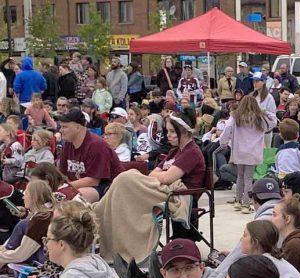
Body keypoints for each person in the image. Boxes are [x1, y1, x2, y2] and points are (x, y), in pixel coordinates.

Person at [95, 111, 204, 264]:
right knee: (125, 184)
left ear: (185, 132)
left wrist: (162, 175)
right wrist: (162, 175)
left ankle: (98, 214)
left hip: (178, 196)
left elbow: (167, 178)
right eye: (167, 131)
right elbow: (154, 173)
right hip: (162, 190)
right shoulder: (175, 151)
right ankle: (110, 230)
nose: (168, 135)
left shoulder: (191, 152)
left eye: (172, 132)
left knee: (127, 177)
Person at [219, 95, 278, 213]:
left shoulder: (235, 116)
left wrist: (223, 142)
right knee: (248, 178)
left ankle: (238, 200)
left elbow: (227, 129)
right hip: (253, 151)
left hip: (238, 150)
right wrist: (264, 111)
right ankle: (246, 204)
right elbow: (274, 121)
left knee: (240, 176)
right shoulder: (259, 118)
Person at [57, 108, 122, 203]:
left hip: (106, 186)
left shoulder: (96, 144)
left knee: (74, 198)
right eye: (61, 126)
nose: (60, 130)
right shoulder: (67, 144)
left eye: (65, 127)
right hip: (78, 184)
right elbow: (63, 173)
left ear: (78, 127)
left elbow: (94, 180)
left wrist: (66, 187)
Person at [0, 180, 53, 268]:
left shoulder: (41, 219)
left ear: (34, 197)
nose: (23, 197)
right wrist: (25, 215)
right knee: (23, 224)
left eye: (26, 194)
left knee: (22, 224)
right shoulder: (48, 211)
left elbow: (21, 255)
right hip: (52, 255)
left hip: (46, 260)